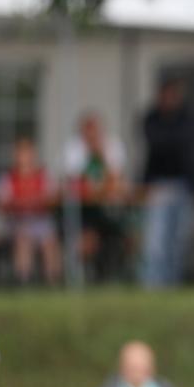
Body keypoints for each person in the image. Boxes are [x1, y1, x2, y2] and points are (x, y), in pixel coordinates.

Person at [140, 78, 194, 287]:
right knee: (156, 242)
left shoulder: (188, 118)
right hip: (159, 185)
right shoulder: (151, 119)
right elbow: (158, 144)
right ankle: (154, 284)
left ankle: (172, 283)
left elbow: (187, 145)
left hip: (183, 185)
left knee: (178, 240)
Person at [63, 112, 128, 281]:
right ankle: (81, 278)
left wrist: (101, 155)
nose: (92, 136)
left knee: (129, 237)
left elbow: (116, 180)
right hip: (84, 209)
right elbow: (74, 182)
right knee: (86, 240)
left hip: (111, 208)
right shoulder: (74, 148)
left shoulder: (112, 146)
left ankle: (116, 276)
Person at [0, 138, 61, 285]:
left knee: (49, 240)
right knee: (23, 238)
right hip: (17, 220)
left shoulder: (43, 175)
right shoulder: (7, 177)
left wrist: (36, 201)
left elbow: (53, 197)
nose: (23, 157)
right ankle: (24, 280)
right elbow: (2, 202)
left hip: (40, 219)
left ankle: (53, 280)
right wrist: (20, 204)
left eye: (27, 153)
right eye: (20, 154)